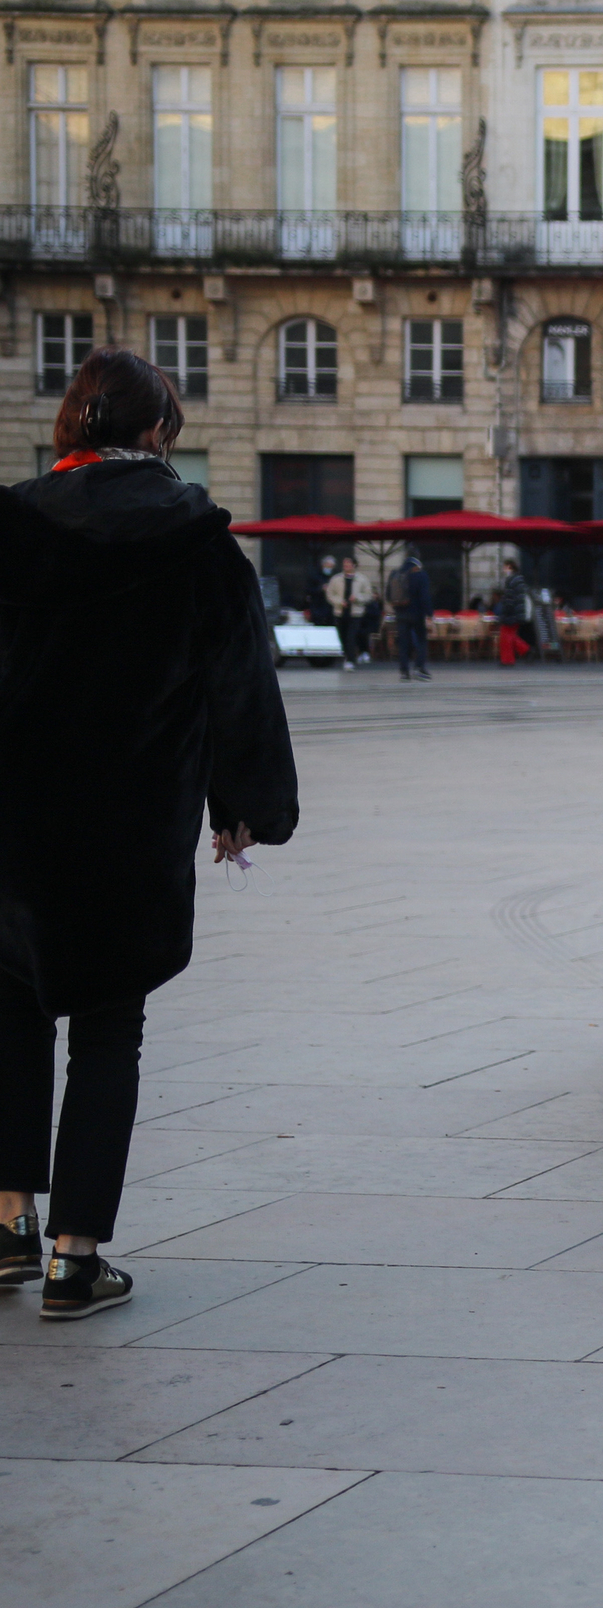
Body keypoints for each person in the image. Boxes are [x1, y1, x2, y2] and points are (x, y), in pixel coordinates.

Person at [0, 347, 299, 1320]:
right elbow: (240, 684)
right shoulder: (197, 539)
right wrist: (244, 805)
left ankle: (7, 1221)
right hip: (129, 825)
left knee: (10, 1012)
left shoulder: (13, 524)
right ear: (159, 432)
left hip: (12, 821)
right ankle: (74, 1258)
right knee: (107, 1029)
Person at [388, 551, 432, 681]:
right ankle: (419, 668)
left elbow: (388, 596)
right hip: (417, 614)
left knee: (403, 643)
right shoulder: (420, 575)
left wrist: (397, 608)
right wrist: (429, 614)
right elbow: (425, 597)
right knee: (421, 641)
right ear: (416, 566)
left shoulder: (394, 575)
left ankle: (404, 672)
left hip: (400, 614)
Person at [326, 557, 373, 671]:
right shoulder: (336, 579)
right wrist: (339, 602)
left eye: (348, 564)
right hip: (340, 612)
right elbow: (330, 594)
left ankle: (350, 660)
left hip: (356, 613)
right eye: (344, 564)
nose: (346, 566)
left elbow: (368, 595)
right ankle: (348, 656)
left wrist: (357, 598)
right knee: (342, 636)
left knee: (351, 636)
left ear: (354, 565)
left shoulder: (362, 579)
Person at [495, 557, 532, 667]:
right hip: (518, 612)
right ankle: (525, 650)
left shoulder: (510, 580)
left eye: (504, 567)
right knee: (510, 635)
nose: (503, 569)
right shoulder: (520, 580)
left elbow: (509, 599)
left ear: (509, 567)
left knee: (505, 636)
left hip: (511, 613)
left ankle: (508, 660)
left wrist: (505, 611)